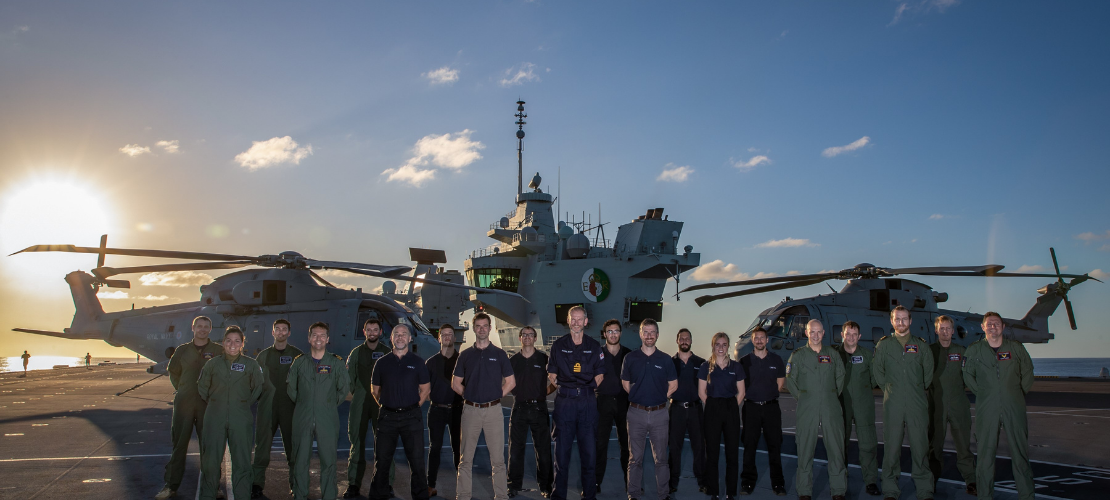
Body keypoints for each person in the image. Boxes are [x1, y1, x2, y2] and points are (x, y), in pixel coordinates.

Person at [962, 312, 1034, 500]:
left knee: (1020, 454)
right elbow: (967, 375)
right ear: (983, 327)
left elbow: (1028, 371)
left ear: (1003, 327)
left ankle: (1027, 496)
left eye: (996, 323)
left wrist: (1017, 393)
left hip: (1014, 406)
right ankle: (984, 496)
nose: (992, 326)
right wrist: (984, 393)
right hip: (987, 407)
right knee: (985, 455)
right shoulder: (974, 350)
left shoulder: (1016, 348)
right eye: (989, 324)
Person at [156, 316, 224, 500]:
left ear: (210, 329)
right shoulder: (182, 350)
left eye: (206, 326)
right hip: (184, 403)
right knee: (179, 446)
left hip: (208, 405)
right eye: (199, 326)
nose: (202, 329)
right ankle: (170, 486)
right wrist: (183, 388)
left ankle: (213, 486)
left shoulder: (218, 351)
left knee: (209, 447)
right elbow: (173, 371)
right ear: (193, 328)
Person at [873, 306, 934, 500]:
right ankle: (890, 489)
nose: (901, 322)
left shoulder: (921, 345)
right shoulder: (884, 345)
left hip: (917, 402)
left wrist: (915, 388)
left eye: (904, 319)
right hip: (894, 402)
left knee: (920, 447)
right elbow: (878, 372)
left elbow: (928, 374)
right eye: (897, 319)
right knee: (891, 447)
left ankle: (924, 490)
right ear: (892, 321)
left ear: (910, 321)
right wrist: (891, 388)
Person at [453, 312, 516, 500]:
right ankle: (463, 496)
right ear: (474, 328)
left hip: (493, 412)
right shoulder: (465, 355)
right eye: (478, 326)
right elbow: (455, 383)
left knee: (498, 460)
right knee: (465, 459)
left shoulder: (499, 354)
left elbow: (511, 382)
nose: (482, 329)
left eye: (485, 326)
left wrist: (495, 395)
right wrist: (469, 395)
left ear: (490, 328)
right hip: (470, 411)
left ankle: (501, 496)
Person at [197, 326, 264, 500]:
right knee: (210, 462)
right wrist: (216, 403)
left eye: (237, 341)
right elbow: (202, 388)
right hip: (214, 417)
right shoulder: (212, 364)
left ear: (242, 344)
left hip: (240, 418)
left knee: (242, 462)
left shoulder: (251, 364)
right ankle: (207, 496)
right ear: (223, 343)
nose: (232, 344)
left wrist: (241, 404)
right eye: (228, 340)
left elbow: (257, 388)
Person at [546, 306, 606, 500]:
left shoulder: (594, 346)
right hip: (565, 403)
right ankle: (558, 496)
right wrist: (568, 388)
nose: (576, 322)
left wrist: (584, 389)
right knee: (561, 456)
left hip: (587, 403)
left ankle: (589, 496)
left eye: (580, 319)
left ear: (586, 322)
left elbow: (600, 375)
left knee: (589, 455)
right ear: (568, 320)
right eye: (573, 319)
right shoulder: (558, 345)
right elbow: (552, 374)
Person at [288, 322, 351, 500]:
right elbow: (291, 389)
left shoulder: (336, 363)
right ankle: (300, 495)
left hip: (327, 418)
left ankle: (329, 496)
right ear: (309, 338)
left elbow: (343, 389)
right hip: (302, 417)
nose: (318, 338)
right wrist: (305, 404)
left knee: (329, 461)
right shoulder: (299, 362)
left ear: (328, 339)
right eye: (314, 335)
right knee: (300, 460)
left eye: (322, 335)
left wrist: (327, 404)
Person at [785, 319, 847, 500]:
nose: (816, 335)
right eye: (812, 331)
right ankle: (804, 491)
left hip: (830, 406)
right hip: (807, 407)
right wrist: (804, 397)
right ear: (806, 333)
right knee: (805, 449)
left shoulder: (832, 354)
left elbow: (840, 377)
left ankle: (838, 491)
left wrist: (830, 395)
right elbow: (791, 380)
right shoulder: (798, 356)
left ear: (824, 333)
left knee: (836, 449)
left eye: (819, 332)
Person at [369, 324, 431, 500]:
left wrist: (412, 406)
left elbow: (425, 389)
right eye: (397, 334)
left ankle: (420, 497)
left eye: (404, 334)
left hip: (411, 418)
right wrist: (389, 405)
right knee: (382, 462)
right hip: (387, 418)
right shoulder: (382, 363)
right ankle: (378, 496)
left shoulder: (418, 362)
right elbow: (375, 390)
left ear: (410, 338)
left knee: (417, 462)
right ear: (391, 338)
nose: (400, 337)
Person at [621, 318, 678, 500]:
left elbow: (673, 384)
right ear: (640, 334)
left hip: (659, 414)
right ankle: (633, 494)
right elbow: (625, 383)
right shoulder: (630, 358)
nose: (649, 335)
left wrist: (659, 397)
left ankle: (664, 494)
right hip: (636, 413)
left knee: (661, 458)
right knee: (634, 458)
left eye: (652, 332)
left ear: (657, 335)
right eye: (645, 332)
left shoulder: (665, 359)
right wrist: (640, 397)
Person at [252, 319, 303, 498]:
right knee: (262, 448)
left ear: (289, 333)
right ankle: (257, 485)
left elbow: (305, 382)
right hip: (268, 408)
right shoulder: (263, 356)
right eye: (278, 329)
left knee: (293, 448)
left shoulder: (297, 355)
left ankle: (296, 484)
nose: (281, 332)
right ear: (273, 332)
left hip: (291, 408)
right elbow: (255, 381)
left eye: (284, 329)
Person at [344, 318, 394, 498]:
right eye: (369, 330)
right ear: (364, 332)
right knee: (356, 443)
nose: (372, 333)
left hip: (382, 403)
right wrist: (359, 394)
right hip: (361, 401)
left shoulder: (388, 353)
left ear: (380, 332)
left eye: (375, 330)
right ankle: (353, 485)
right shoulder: (356, 353)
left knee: (385, 445)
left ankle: (386, 484)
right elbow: (350, 379)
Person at [928, 315, 976, 495]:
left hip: (958, 403)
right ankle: (931, 481)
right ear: (936, 330)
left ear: (953, 331)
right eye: (942, 328)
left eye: (948, 328)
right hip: (936, 404)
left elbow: (970, 375)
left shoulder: (962, 351)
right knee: (934, 446)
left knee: (963, 445)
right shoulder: (929, 351)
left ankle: (971, 480)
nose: (945, 331)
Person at [738, 327, 786, 496]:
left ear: (767, 340)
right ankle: (747, 483)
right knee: (749, 445)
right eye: (756, 338)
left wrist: (767, 397)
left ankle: (778, 483)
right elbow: (740, 386)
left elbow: (780, 383)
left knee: (775, 445)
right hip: (751, 408)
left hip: (771, 408)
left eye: (762, 338)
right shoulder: (744, 361)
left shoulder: (776, 360)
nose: (759, 340)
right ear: (752, 340)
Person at [508, 326, 555, 497]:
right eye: (524, 335)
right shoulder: (513, 360)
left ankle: (546, 486)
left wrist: (543, 393)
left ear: (535, 338)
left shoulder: (544, 359)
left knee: (543, 451)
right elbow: (506, 382)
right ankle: (513, 485)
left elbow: (554, 381)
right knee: (515, 450)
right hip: (519, 407)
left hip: (539, 408)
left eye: (530, 335)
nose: (527, 337)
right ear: (520, 338)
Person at [698, 332, 746, 500]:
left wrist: (730, 408)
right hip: (712, 408)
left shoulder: (736, 367)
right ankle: (714, 492)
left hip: (730, 408)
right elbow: (701, 392)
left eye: (724, 344)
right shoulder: (705, 367)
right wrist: (714, 407)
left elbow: (741, 392)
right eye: (717, 344)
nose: (720, 347)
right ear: (713, 346)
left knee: (732, 453)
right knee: (712, 453)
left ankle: (730, 493)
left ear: (728, 346)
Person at [835, 321, 880, 496]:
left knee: (868, 444)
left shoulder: (867, 355)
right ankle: (840, 481)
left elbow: (874, 378)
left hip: (864, 406)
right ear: (842, 335)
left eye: (854, 334)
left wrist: (862, 391)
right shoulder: (835, 355)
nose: (851, 337)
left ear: (859, 336)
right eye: (848, 334)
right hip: (841, 405)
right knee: (840, 444)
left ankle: (871, 481)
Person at [426, 324, 464, 497]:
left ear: (454, 338)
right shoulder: (431, 362)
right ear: (439, 338)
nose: (447, 337)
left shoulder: (462, 361)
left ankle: (462, 487)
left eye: (450, 334)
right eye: (444, 334)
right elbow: (425, 388)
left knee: (458, 448)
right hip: (437, 410)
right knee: (435, 448)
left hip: (458, 410)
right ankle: (430, 485)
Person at [595, 319, 631, 494]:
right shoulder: (597, 354)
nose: (613, 334)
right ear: (604, 334)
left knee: (627, 446)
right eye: (609, 331)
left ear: (620, 333)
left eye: (616, 331)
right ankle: (595, 483)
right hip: (603, 403)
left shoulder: (629, 355)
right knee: (599, 445)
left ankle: (631, 484)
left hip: (624, 403)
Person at [669, 328, 707, 494]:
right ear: (677, 341)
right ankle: (672, 482)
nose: (684, 341)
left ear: (691, 341)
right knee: (674, 447)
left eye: (687, 338)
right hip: (676, 409)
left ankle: (702, 481)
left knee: (699, 447)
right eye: (681, 338)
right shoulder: (670, 362)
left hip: (695, 409)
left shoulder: (701, 363)